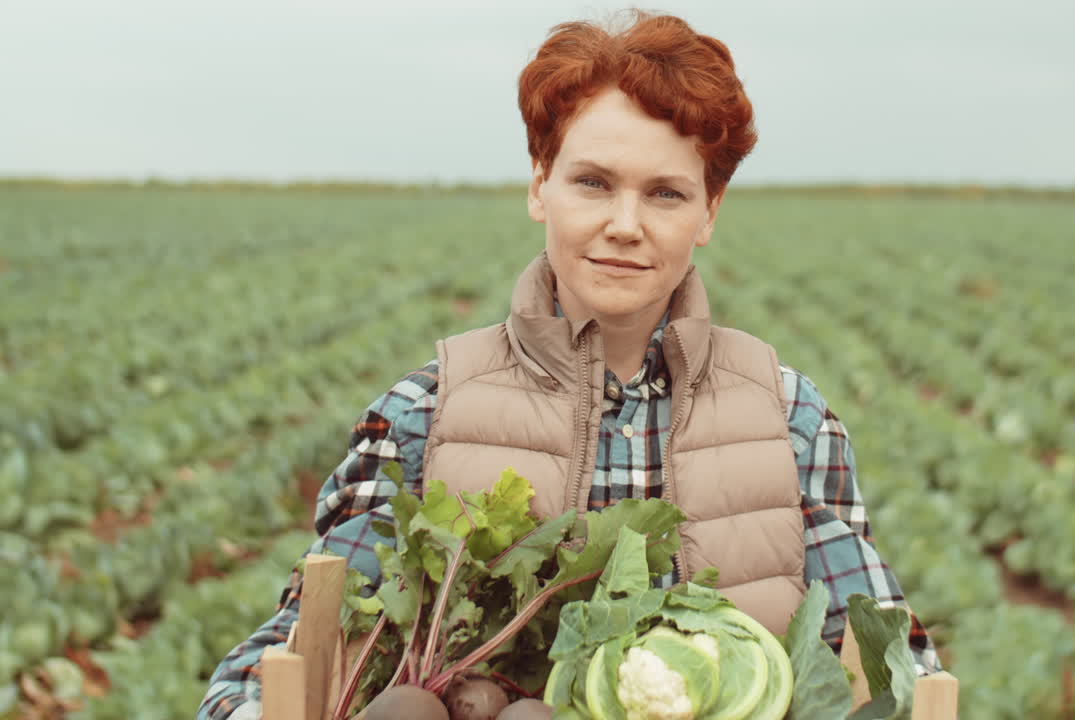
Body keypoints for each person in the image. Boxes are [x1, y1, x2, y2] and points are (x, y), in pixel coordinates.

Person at [198, 11, 940, 719]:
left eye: (665, 194)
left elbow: (893, 668)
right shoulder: (423, 414)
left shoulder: (789, 419)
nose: (624, 225)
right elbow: (282, 660)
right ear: (538, 185)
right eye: (593, 182)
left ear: (709, 212)